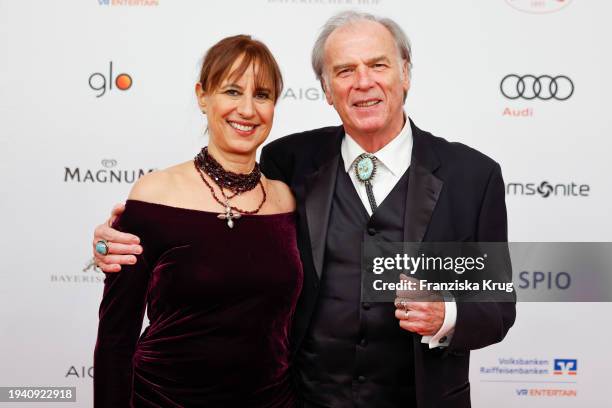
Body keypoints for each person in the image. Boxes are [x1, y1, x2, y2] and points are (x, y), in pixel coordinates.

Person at [94, 11, 516, 408]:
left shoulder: (472, 177)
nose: (363, 82)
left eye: (379, 65)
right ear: (327, 91)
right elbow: (219, 232)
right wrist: (112, 242)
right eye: (344, 71)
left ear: (405, 73)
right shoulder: (288, 163)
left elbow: (499, 307)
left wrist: (448, 315)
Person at [93, 35, 303, 407]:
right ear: (202, 96)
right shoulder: (154, 194)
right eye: (232, 91)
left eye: (262, 95)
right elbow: (115, 338)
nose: (247, 110)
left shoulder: (286, 200)